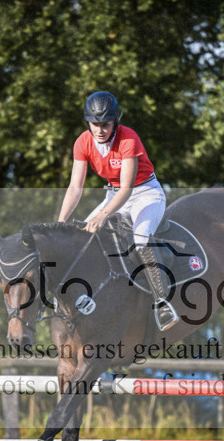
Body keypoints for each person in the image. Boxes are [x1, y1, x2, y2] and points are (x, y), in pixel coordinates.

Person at [57, 91, 179, 331]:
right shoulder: (83, 142)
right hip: (113, 194)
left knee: (141, 239)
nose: (100, 130)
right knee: (82, 236)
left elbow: (128, 188)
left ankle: (162, 303)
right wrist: (61, 221)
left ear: (115, 122)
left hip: (145, 194)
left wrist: (103, 214)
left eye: (105, 124)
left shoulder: (128, 138)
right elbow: (75, 187)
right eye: (95, 124)